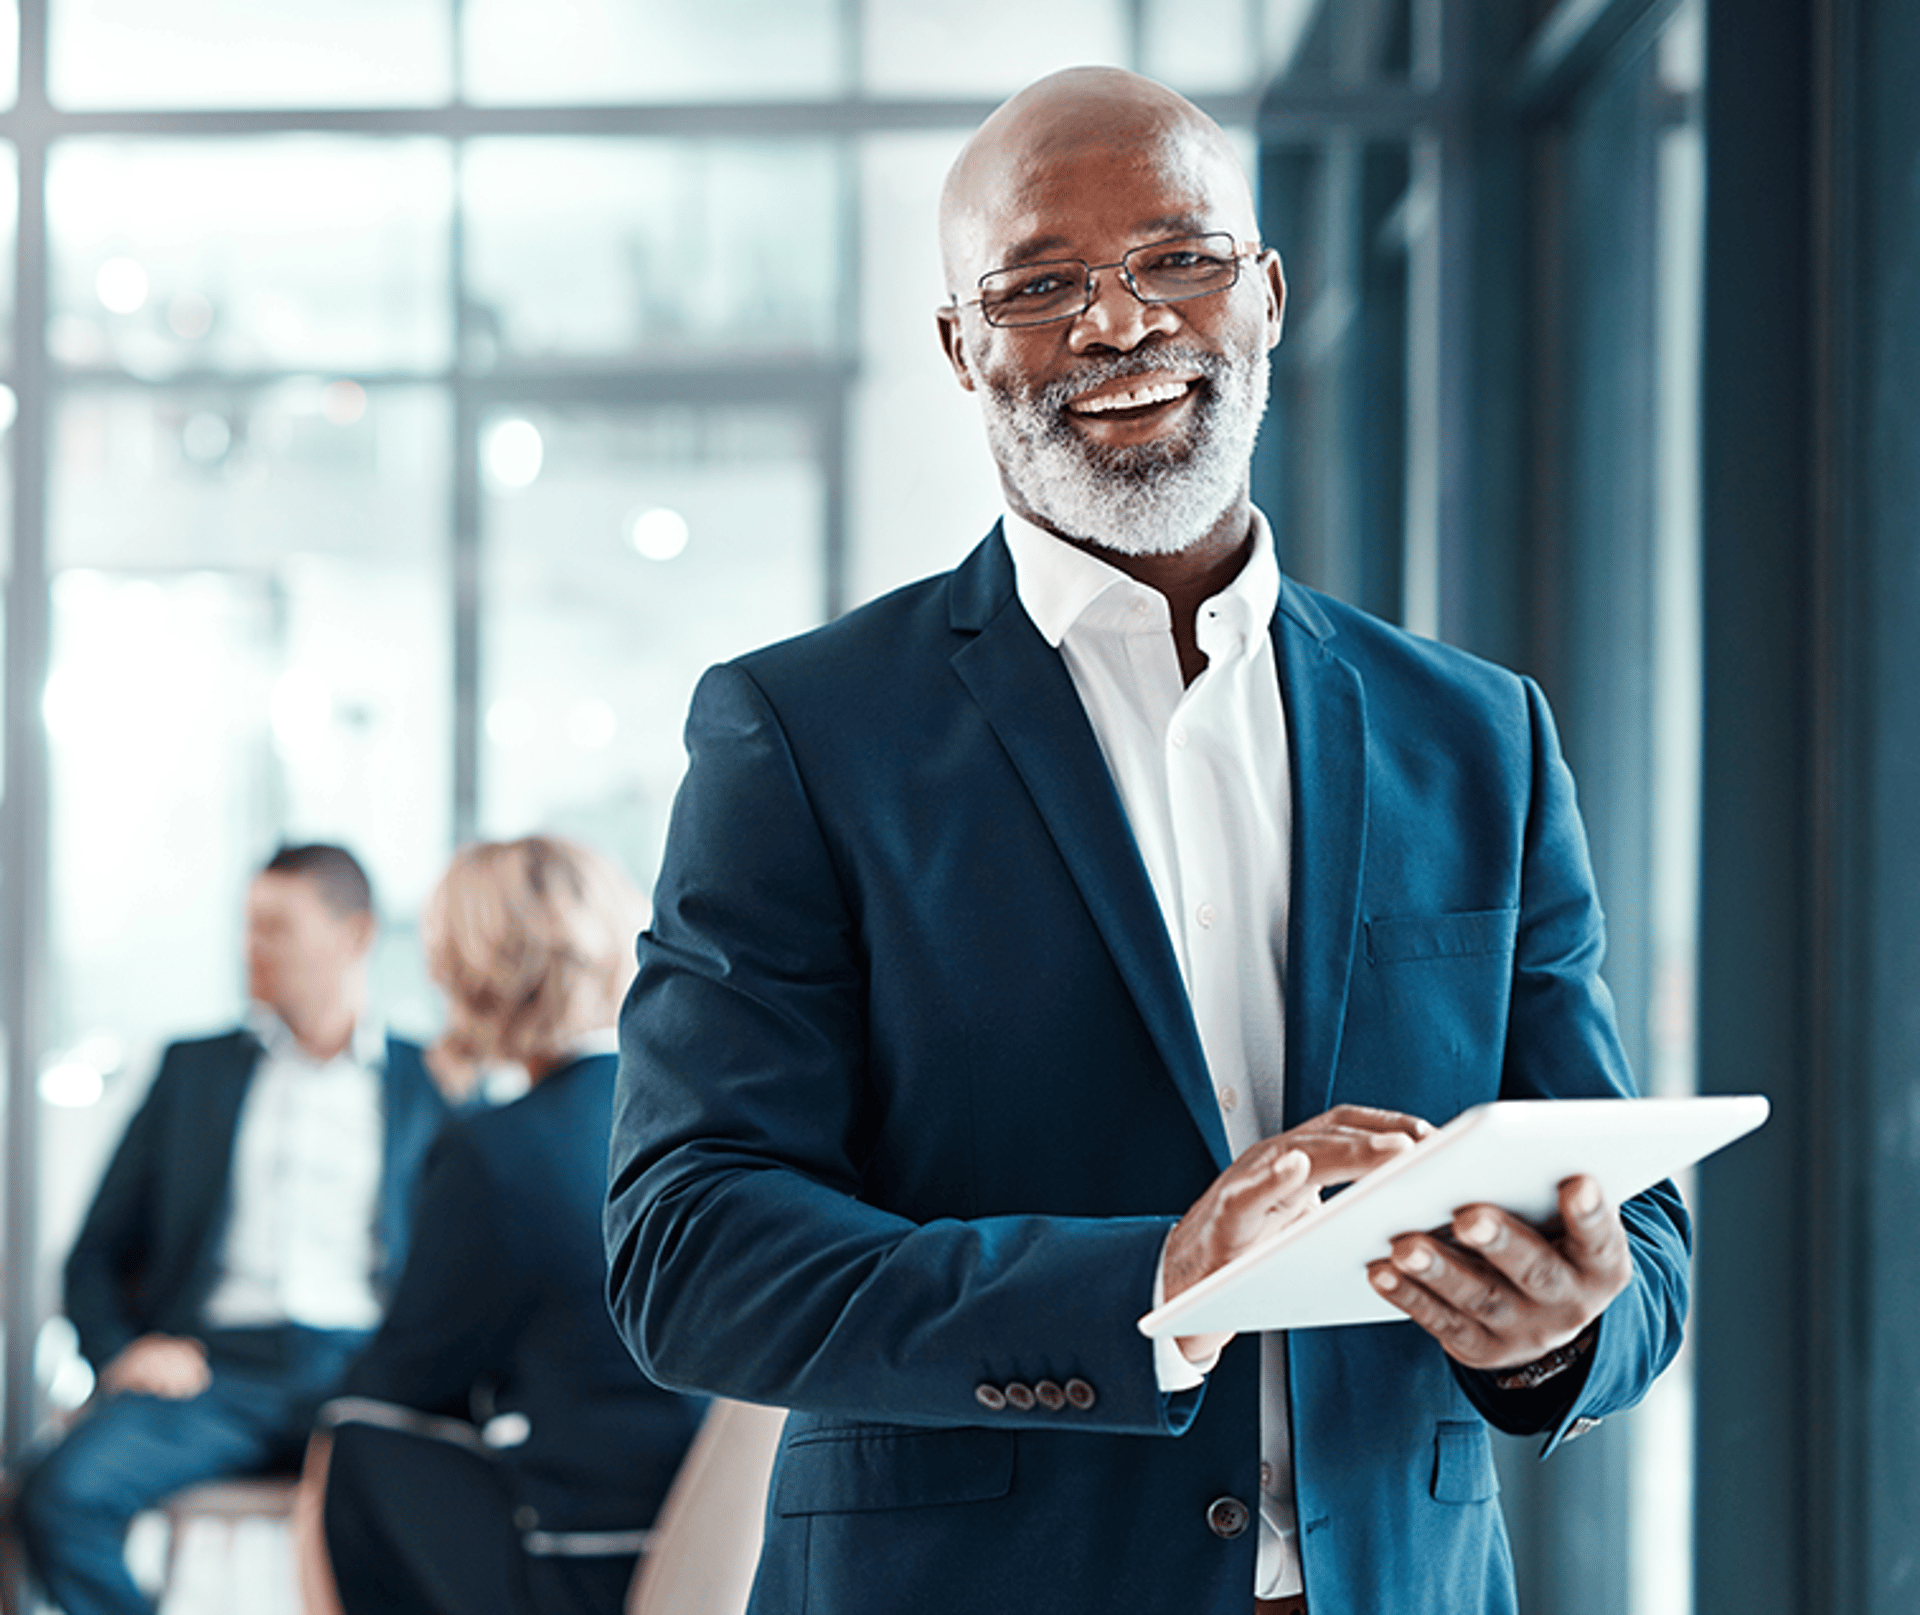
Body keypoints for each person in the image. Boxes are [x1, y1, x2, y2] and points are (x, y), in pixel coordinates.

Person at [604, 66, 1690, 1615]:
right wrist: (1154, 1284)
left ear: (1267, 295)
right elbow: (689, 1249)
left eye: (1180, 257)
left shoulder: (1477, 732)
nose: (1119, 322)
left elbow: (1635, 1225)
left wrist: (1558, 1331)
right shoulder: (803, 732)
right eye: (1040, 283)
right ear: (961, 347)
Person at [16, 843, 448, 1615]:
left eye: (276, 926)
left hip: (364, 1372)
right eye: (247, 925)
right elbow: (94, 1255)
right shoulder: (193, 1072)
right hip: (212, 1372)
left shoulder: (432, 1084)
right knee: (59, 1498)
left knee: (432, 1534)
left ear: (355, 935)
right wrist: (121, 1350)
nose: (251, 947)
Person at [316, 837, 705, 1615]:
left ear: (465, 971)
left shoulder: (497, 1150)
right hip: (715, 1540)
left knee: (354, 1435)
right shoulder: (695, 1116)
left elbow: (406, 1377)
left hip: (584, 1563)